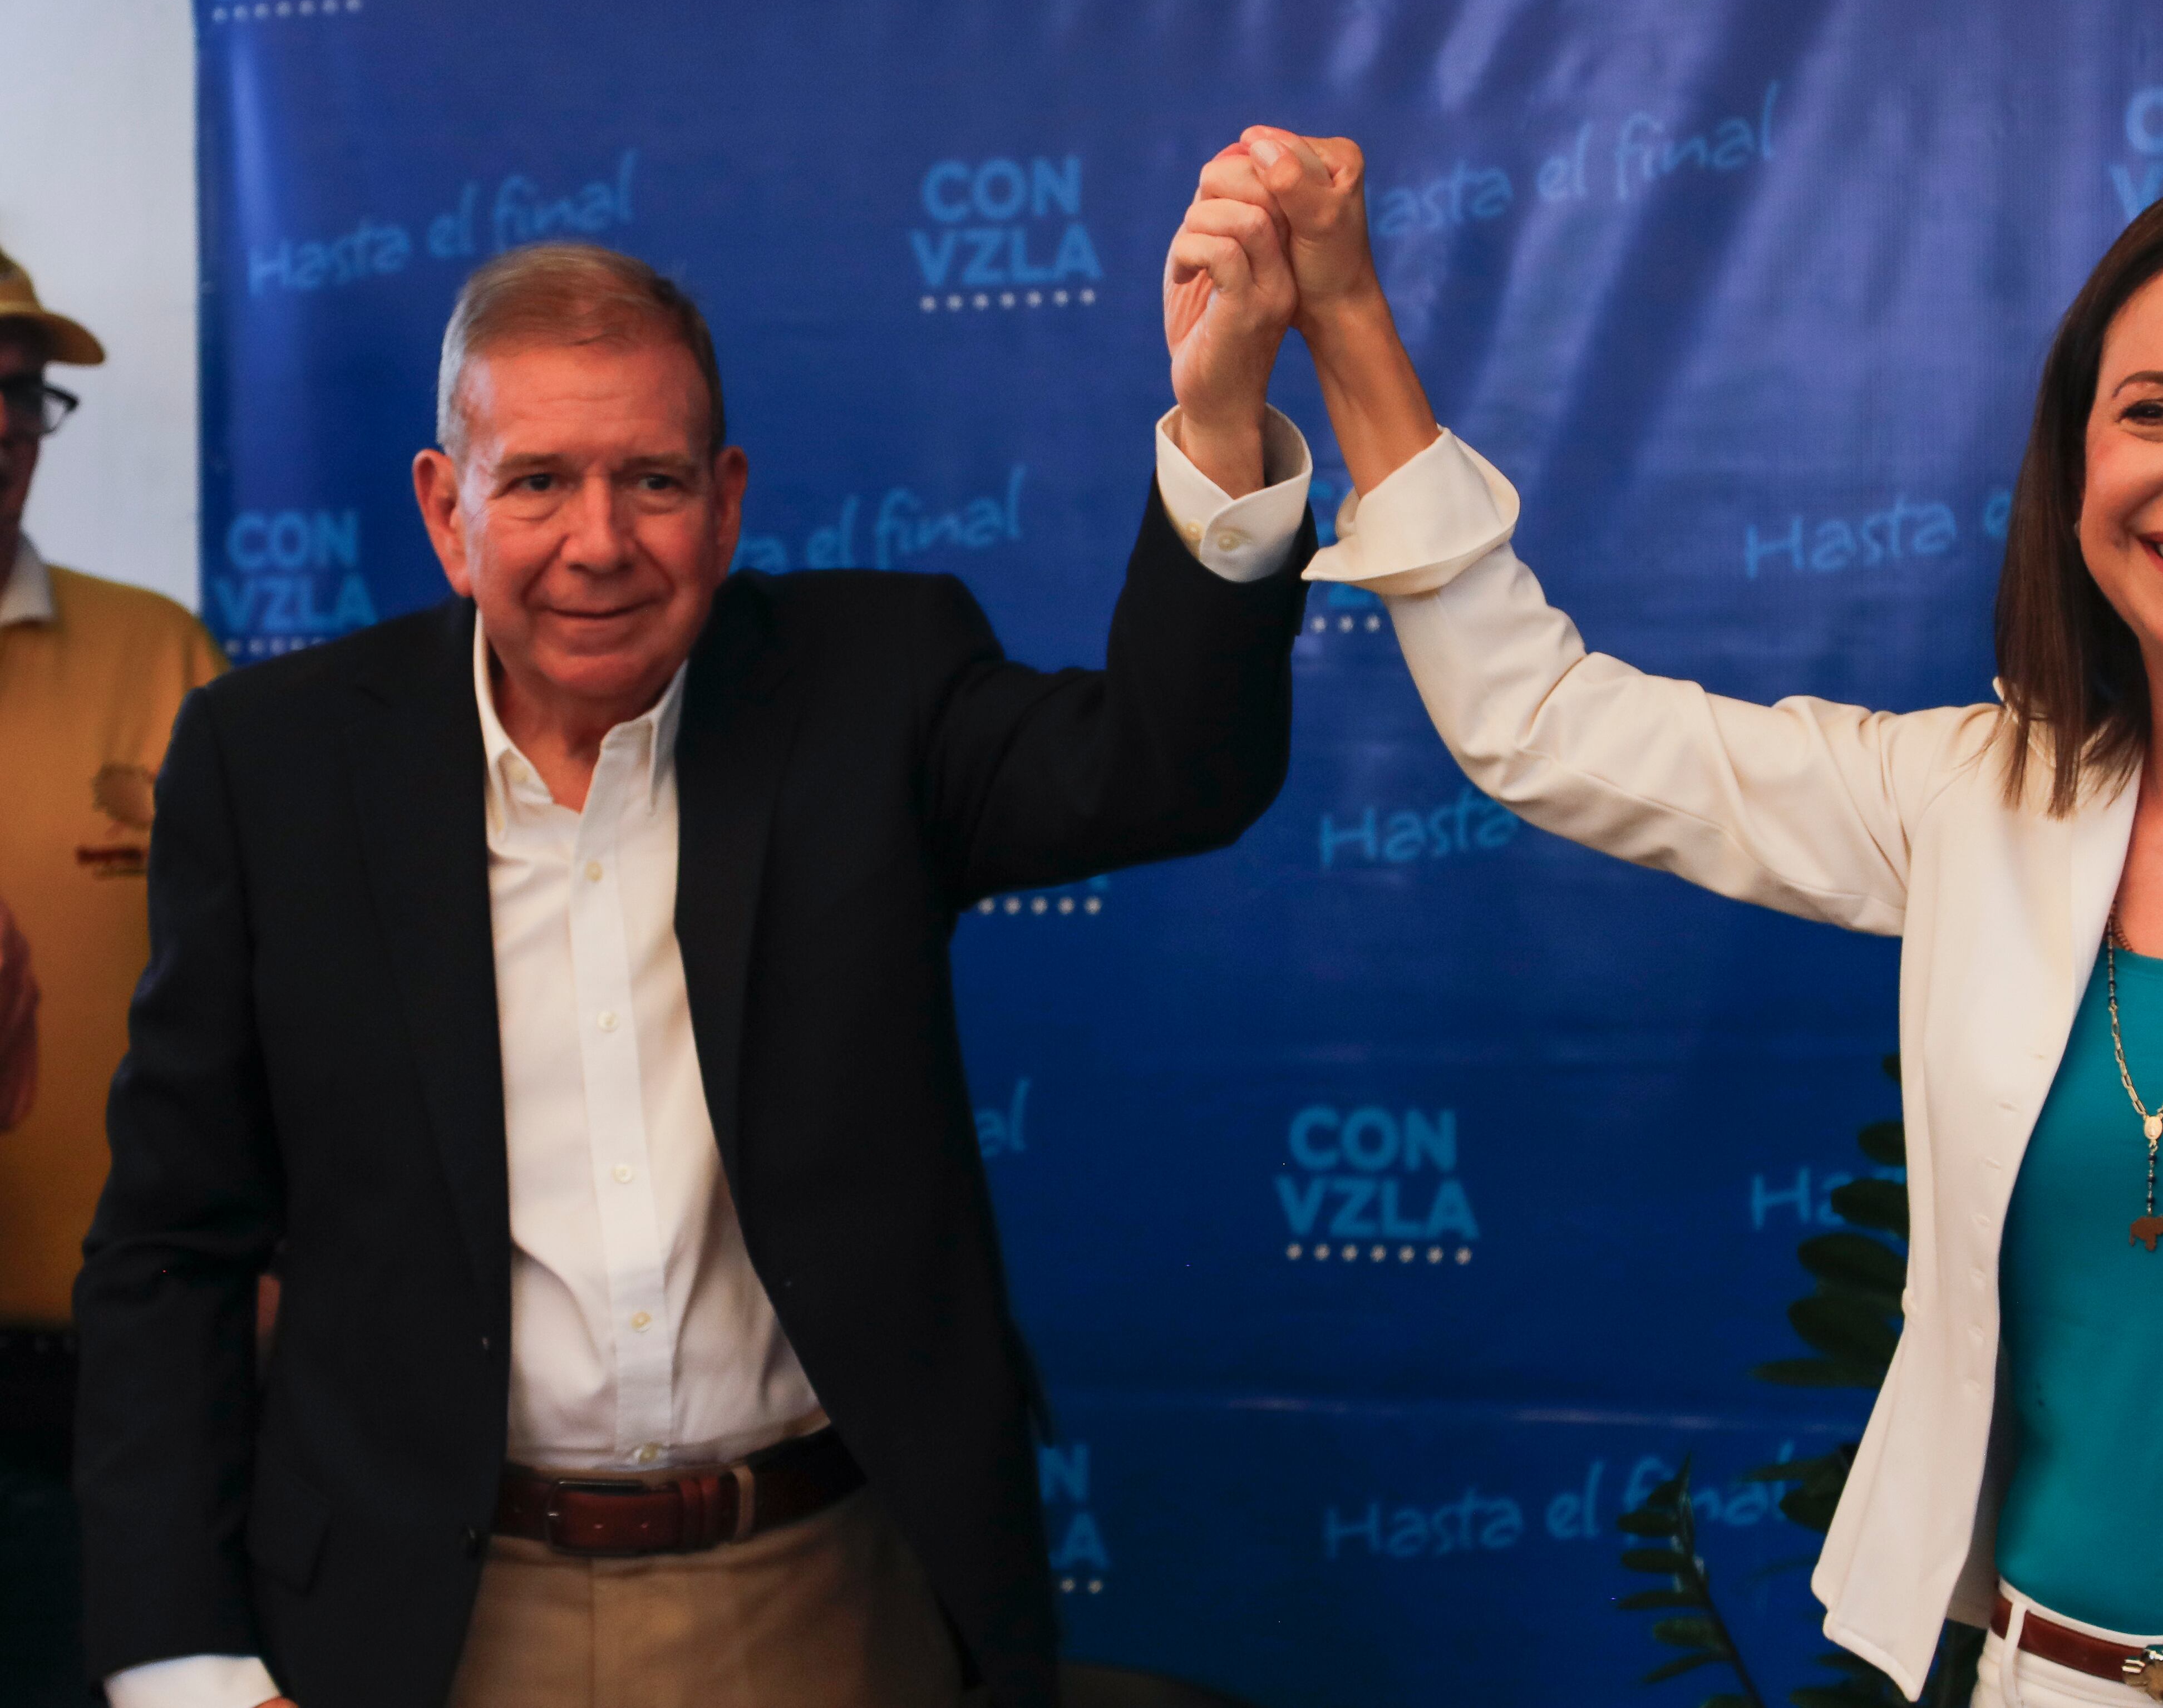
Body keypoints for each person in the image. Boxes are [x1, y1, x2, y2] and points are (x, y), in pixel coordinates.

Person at [1202, 136, 2163, 1707]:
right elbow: (1539, 722)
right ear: (2076, 475)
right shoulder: (1976, 806)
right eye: (2152, 412)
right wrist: (1344, 314)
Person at [77, 219, 1319, 1708]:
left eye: (652, 481)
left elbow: (1175, 769)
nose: (599, 541)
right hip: (423, 1625)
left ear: (724, 506)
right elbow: (170, 1246)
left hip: (819, 1605)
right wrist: (184, 1665)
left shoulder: (876, 684)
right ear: (446, 511)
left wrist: (1224, 410)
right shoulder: (269, 766)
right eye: (536, 481)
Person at [0, 246, 227, 1708]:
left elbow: (284, 1009)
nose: (0, 434)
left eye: (20, 398)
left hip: (115, 1374)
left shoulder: (162, 657)